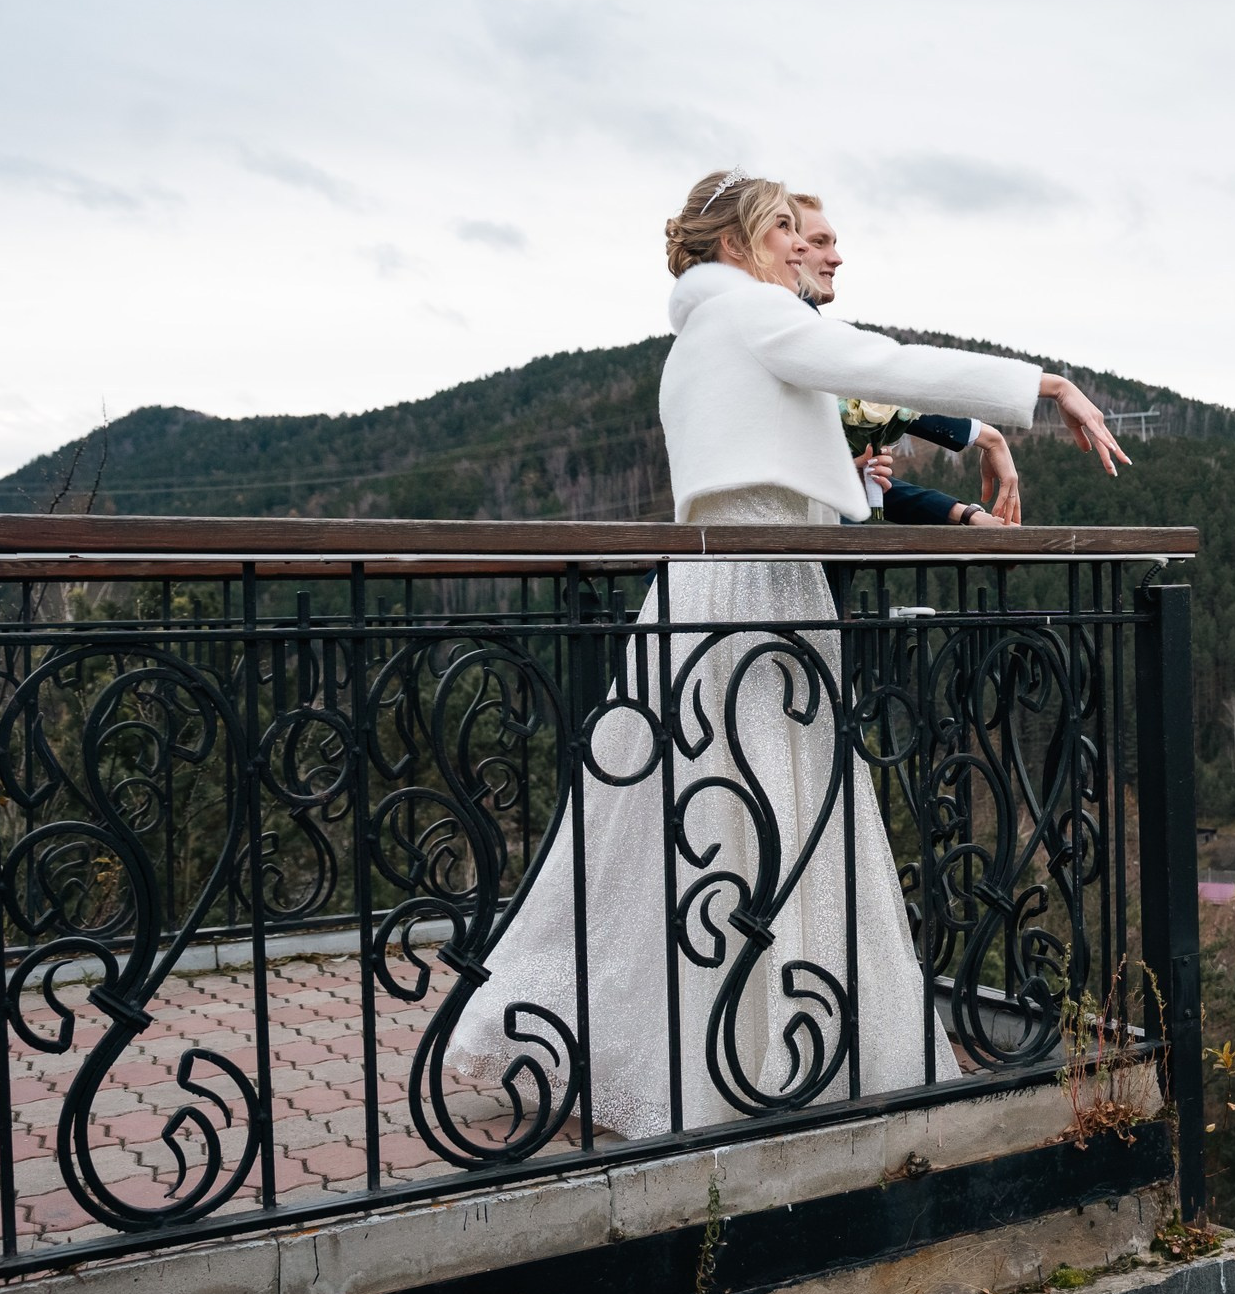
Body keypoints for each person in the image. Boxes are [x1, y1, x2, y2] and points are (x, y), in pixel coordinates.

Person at [448, 170, 1128, 1142]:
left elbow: (815, 423)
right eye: (777, 230)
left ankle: (715, 1041)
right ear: (734, 242)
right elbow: (882, 364)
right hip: (758, 594)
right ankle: (753, 1059)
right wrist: (1038, 388)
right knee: (765, 818)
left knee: (677, 829)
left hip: (710, 589)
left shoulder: (703, 330)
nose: (792, 248)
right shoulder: (743, 315)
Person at [795, 192, 1022, 529]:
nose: (838, 258)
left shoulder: (811, 335)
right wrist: (1046, 388)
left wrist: (965, 514)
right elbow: (893, 377)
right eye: (818, 242)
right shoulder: (792, 340)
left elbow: (884, 396)